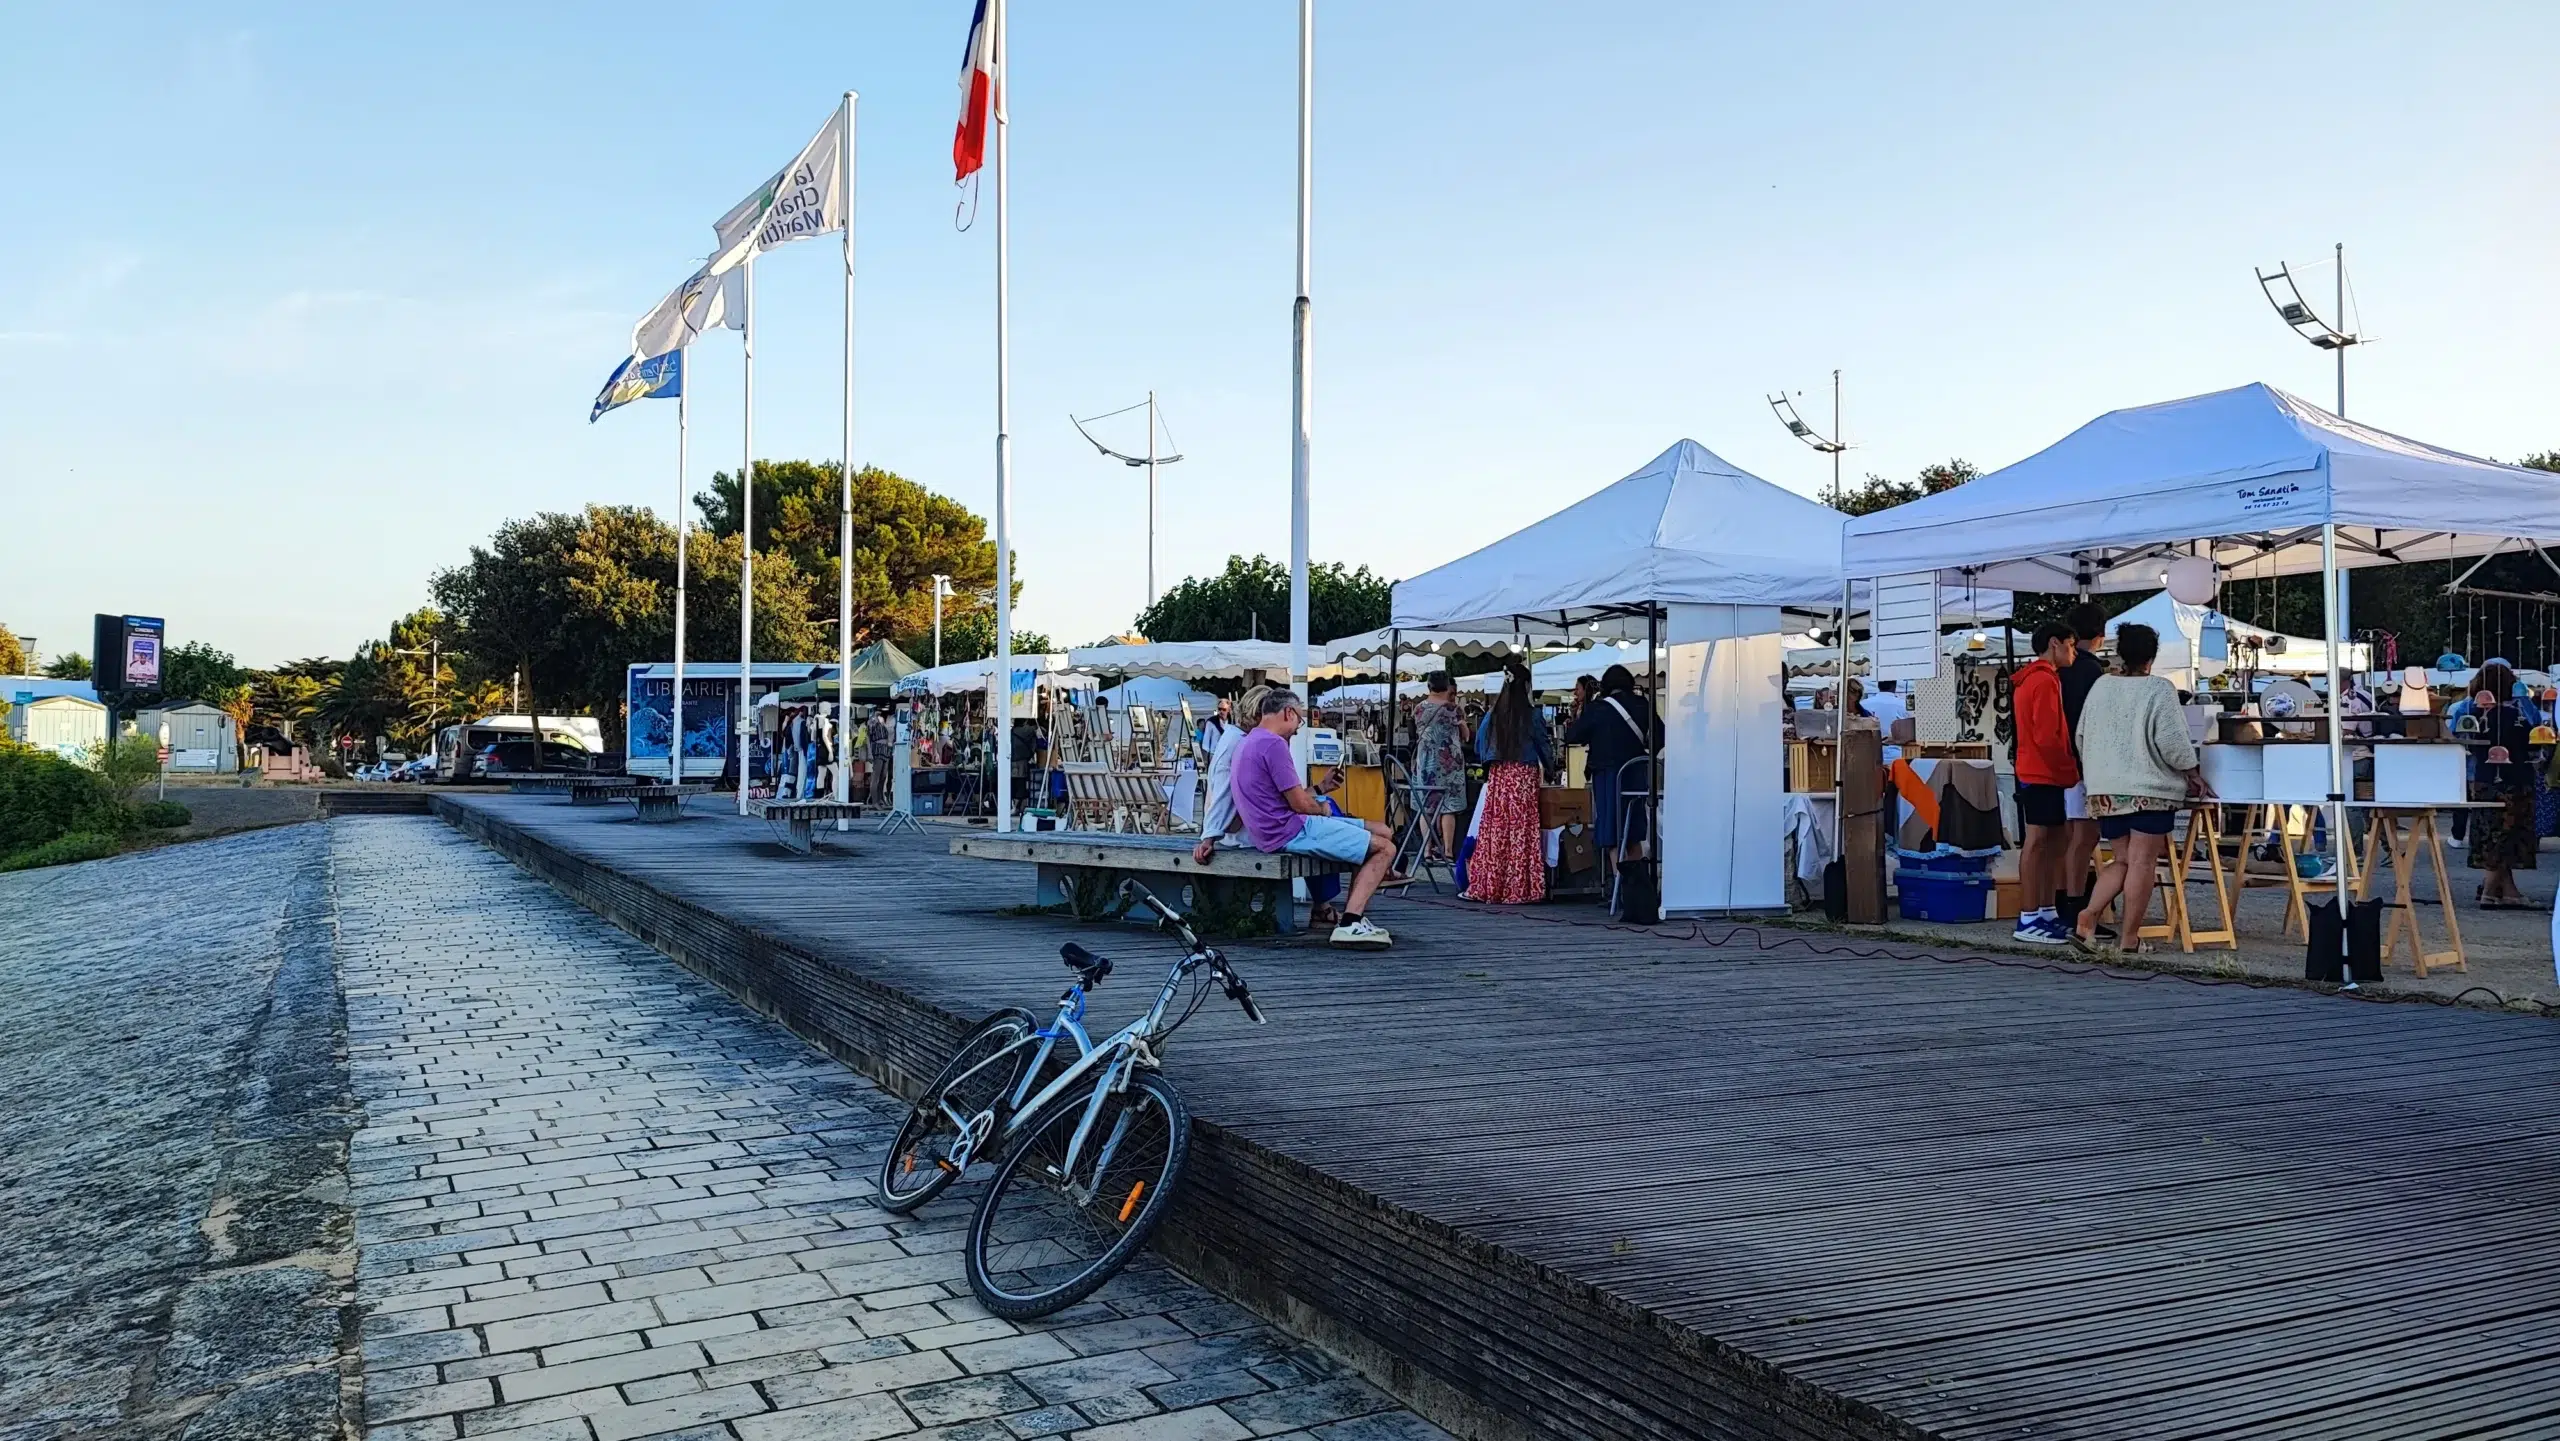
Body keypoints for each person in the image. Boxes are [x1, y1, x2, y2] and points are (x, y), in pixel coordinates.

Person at [2070, 623, 2207, 954]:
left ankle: (2087, 917)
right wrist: (2192, 772)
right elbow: (2173, 742)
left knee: (2121, 860)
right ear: (2151, 657)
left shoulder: (2101, 686)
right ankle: (2129, 938)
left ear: (2120, 653)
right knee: (2143, 862)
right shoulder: (2159, 689)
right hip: (2148, 789)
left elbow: (2081, 736)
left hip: (2104, 789)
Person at [1229, 688, 1399, 948]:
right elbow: (1300, 805)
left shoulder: (1249, 741)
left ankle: (1344, 914)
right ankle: (1350, 922)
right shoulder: (1274, 744)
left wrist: (1321, 789)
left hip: (1274, 829)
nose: (1298, 728)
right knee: (1385, 847)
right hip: (1290, 830)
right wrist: (1324, 809)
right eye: (1299, 719)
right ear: (1288, 712)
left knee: (1383, 831)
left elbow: (1288, 798)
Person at [2010, 622, 2080, 946]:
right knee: (2038, 840)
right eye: (2070, 644)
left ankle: (2045, 910)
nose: (2074, 651)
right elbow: (2047, 736)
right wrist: (2068, 768)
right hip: (2042, 771)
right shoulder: (2043, 680)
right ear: (2054, 644)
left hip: (2036, 769)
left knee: (2054, 839)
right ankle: (2028, 916)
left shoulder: (2032, 679)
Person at [1465, 662, 1552, 906]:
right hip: (1523, 775)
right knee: (1520, 830)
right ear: (1526, 685)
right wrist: (1552, 768)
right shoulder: (1532, 715)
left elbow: (1479, 745)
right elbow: (1543, 745)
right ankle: (1520, 887)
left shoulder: (1494, 713)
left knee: (1496, 828)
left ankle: (1491, 885)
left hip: (1500, 775)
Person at [1563, 664, 1662, 867]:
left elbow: (1573, 736)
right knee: (1633, 832)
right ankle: (1636, 882)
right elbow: (1660, 737)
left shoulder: (1598, 708)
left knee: (1612, 832)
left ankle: (1621, 885)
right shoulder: (1643, 704)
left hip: (1607, 774)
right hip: (1635, 772)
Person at [2463, 660, 2538, 907]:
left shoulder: (2471, 712)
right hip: (2512, 779)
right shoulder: (2514, 714)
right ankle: (2488, 890)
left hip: (2483, 778)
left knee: (2491, 831)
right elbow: (2532, 738)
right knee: (2506, 834)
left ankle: (2508, 891)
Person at [2057, 603, 2109, 930]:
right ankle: (2074, 905)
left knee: (2070, 836)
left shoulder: (2060, 668)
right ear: (2100, 636)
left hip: (2061, 760)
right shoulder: (2090, 669)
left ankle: (2064, 900)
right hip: (2083, 762)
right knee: (2085, 835)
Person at [1411, 673, 1470, 862]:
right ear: (1447, 687)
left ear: (1428, 686)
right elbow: (1466, 736)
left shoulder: (1418, 709)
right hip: (1449, 762)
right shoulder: (1454, 710)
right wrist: (1462, 726)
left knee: (1426, 806)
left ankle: (1427, 851)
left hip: (1425, 763)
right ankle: (1448, 851)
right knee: (1449, 807)